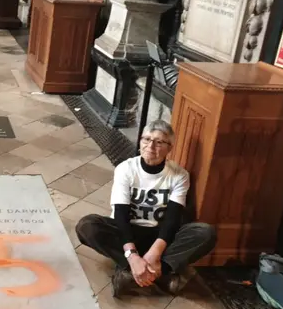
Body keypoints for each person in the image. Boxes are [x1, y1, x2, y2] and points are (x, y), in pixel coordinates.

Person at [75, 120, 217, 298]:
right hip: (127, 232)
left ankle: (140, 273)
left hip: (160, 236)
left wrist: (154, 254)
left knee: (205, 233)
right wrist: (133, 255)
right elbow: (120, 214)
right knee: (87, 226)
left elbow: (172, 219)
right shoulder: (125, 169)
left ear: (169, 147)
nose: (151, 146)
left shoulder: (179, 176)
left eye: (159, 142)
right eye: (146, 139)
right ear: (140, 141)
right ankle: (149, 272)